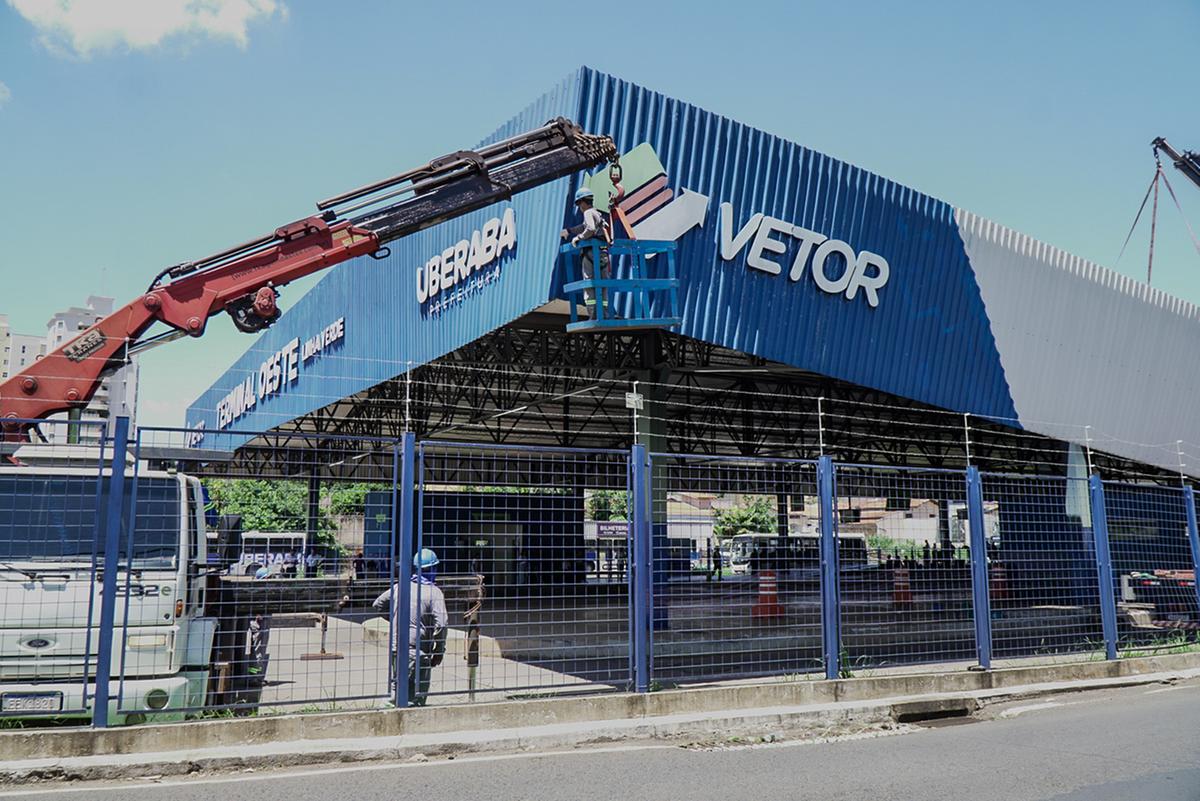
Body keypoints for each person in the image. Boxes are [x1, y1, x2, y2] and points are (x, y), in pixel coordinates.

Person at [373, 548, 448, 706]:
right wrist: (439, 650)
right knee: (415, 695)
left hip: (397, 645)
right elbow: (441, 624)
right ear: (433, 569)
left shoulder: (400, 587)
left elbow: (378, 604)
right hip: (419, 649)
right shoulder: (434, 593)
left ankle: (389, 713)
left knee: (398, 684)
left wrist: (396, 619)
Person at [561, 186, 612, 319]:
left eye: (578, 203)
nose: (579, 207)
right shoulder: (596, 213)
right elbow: (584, 227)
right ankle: (604, 313)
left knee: (589, 283)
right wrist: (570, 231)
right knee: (603, 283)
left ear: (583, 202)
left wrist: (578, 238)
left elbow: (590, 228)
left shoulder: (588, 213)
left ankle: (593, 314)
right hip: (603, 253)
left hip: (590, 254)